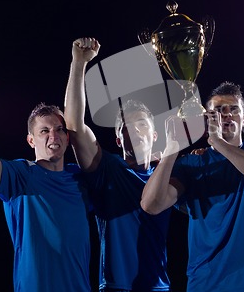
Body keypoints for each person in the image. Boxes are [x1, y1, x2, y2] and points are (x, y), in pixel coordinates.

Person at [141, 81, 244, 292]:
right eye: (217, 111)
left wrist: (217, 141)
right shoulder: (191, 163)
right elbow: (152, 205)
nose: (226, 115)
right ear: (207, 120)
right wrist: (171, 148)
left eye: (233, 110)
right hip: (205, 284)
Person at [0, 73, 91, 292]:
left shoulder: (81, 178)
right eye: (44, 131)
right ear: (31, 140)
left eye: (59, 130)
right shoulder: (20, 175)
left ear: (68, 138)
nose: (53, 136)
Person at [64, 37, 171, 292]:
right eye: (126, 126)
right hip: (116, 287)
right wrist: (79, 64)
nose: (134, 130)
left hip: (159, 286)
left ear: (155, 135)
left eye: (142, 124)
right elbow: (75, 127)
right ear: (118, 137)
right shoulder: (108, 169)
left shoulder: (168, 173)